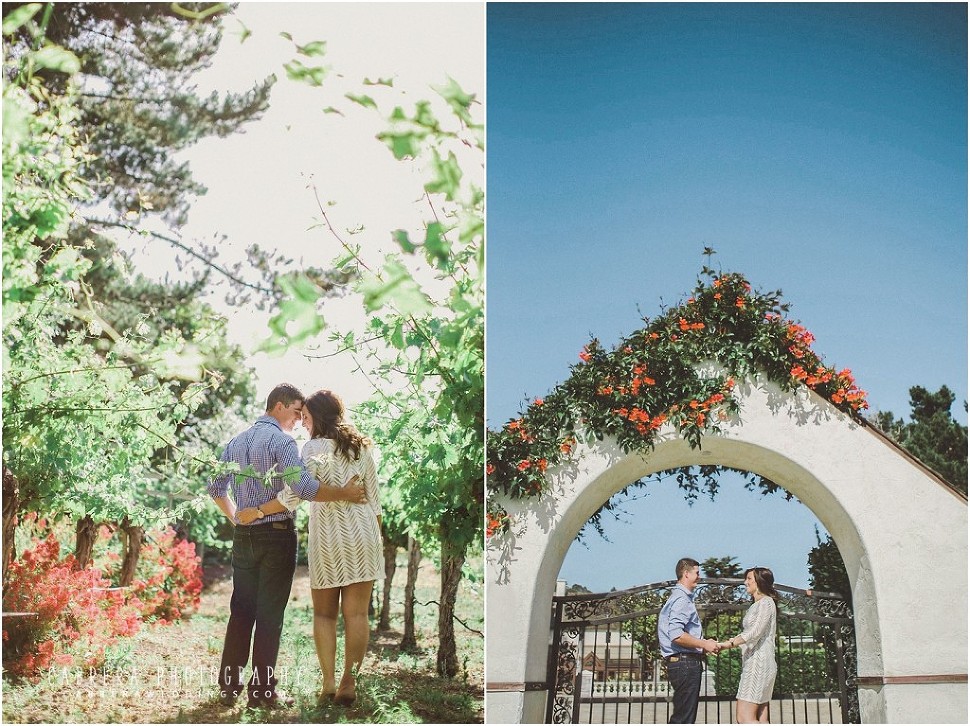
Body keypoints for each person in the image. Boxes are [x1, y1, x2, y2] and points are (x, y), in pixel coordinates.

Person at [208, 383, 367, 709]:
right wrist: (345, 494)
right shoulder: (283, 443)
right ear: (279, 406)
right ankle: (262, 693)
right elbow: (305, 488)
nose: (298, 420)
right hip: (277, 536)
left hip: (244, 536)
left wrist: (236, 517)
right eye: (296, 412)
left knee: (240, 612)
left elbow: (215, 488)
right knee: (269, 615)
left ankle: (228, 688)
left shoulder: (234, 443)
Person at [657, 557, 721, 724]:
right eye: (697, 573)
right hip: (685, 664)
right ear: (686, 574)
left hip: (681, 663)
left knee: (682, 717)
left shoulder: (678, 597)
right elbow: (676, 635)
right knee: (684, 719)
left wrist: (702, 643)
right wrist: (705, 644)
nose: (699, 577)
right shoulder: (682, 599)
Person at [717, 567, 779, 724]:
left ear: (759, 582)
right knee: (761, 718)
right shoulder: (757, 605)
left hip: (758, 665)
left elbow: (754, 632)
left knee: (744, 718)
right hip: (758, 663)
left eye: (749, 579)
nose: (745, 582)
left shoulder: (766, 602)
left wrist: (727, 644)